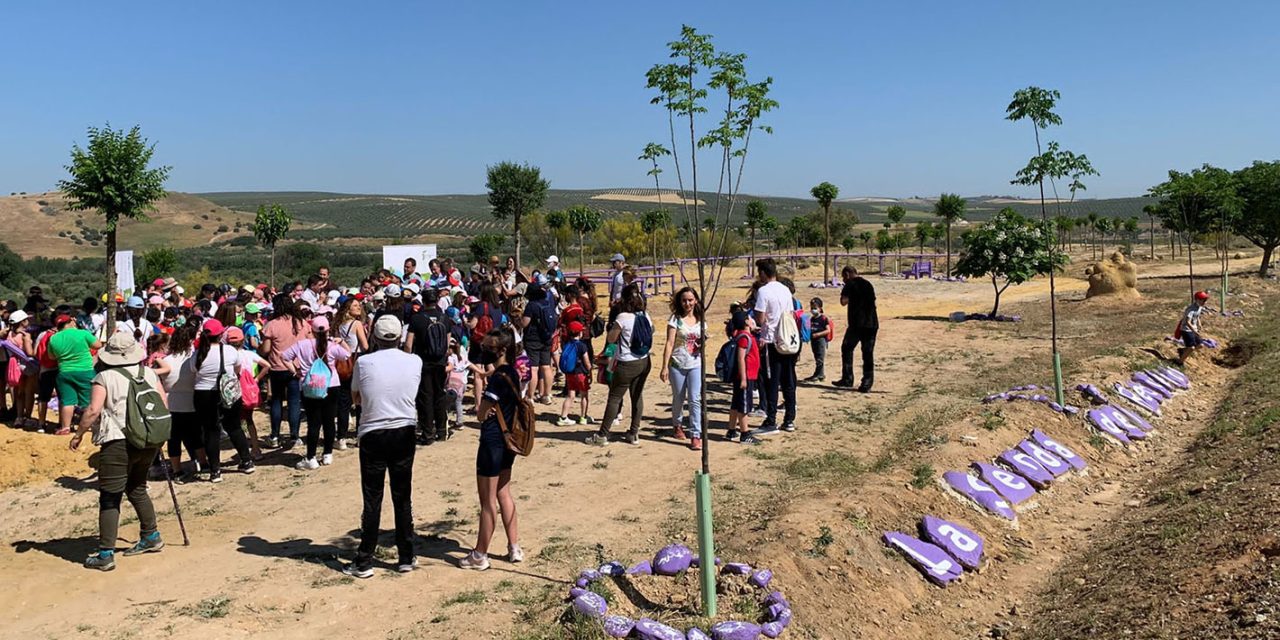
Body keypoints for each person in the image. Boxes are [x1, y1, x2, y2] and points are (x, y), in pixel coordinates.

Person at [69, 332, 168, 571]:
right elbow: (163, 404)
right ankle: (151, 536)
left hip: (117, 441)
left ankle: (105, 553)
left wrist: (79, 434)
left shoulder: (104, 377)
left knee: (110, 496)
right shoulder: (149, 373)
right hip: (147, 439)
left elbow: (93, 410)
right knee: (137, 487)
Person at [343, 315, 422, 578]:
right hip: (404, 429)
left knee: (372, 497)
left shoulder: (364, 362)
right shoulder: (414, 361)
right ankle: (406, 555)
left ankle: (365, 559)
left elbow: (356, 396)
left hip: (373, 431)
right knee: (402, 495)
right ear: (399, 337)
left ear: (374, 337)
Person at [460, 327, 523, 571]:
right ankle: (514, 546)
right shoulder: (512, 373)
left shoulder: (497, 377)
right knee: (504, 493)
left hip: (492, 443)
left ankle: (479, 554)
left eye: (489, 346)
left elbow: (480, 414)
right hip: (508, 443)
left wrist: (484, 409)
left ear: (502, 349)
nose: (484, 349)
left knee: (487, 502)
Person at [587, 284, 652, 446]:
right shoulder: (645, 315)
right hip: (644, 360)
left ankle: (602, 435)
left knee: (615, 398)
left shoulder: (623, 317)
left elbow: (611, 338)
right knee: (637, 396)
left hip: (626, 363)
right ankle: (634, 433)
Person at [191, 319, 254, 482]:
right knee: (234, 427)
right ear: (220, 334)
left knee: (211, 431)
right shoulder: (229, 351)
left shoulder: (198, 354)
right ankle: (246, 461)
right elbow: (238, 368)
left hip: (204, 394)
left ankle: (215, 470)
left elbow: (193, 370)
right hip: (228, 391)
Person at [284, 316, 352, 469]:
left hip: (309, 385)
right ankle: (327, 454)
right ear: (328, 330)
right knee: (329, 421)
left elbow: (285, 357)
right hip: (331, 384)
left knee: (313, 422)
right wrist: (341, 341)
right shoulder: (332, 346)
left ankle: (311, 457)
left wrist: (296, 372)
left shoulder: (302, 345)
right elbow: (347, 355)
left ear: (312, 330)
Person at [752, 258, 798, 433]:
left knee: (771, 381)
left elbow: (761, 318)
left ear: (763, 273)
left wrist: (756, 320)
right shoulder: (785, 289)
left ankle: (771, 420)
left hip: (772, 341)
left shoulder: (763, 291)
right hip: (787, 340)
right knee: (788, 380)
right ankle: (789, 419)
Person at [158, 324, 205, 482]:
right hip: (192, 401)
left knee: (174, 439)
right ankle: (203, 463)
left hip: (171, 403)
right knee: (196, 435)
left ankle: (177, 471)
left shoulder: (165, 361)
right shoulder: (194, 358)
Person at [659, 287, 704, 450]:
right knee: (678, 398)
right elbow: (669, 343)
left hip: (695, 365)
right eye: (684, 300)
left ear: (696, 300)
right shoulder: (675, 319)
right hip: (678, 364)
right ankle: (677, 424)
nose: (687, 303)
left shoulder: (701, 319)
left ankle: (696, 434)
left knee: (694, 399)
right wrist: (664, 366)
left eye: (690, 300)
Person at [405, 288, 450, 445]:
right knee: (439, 395)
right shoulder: (445, 318)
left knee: (425, 397)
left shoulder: (417, 319)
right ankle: (442, 431)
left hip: (422, 362)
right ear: (437, 301)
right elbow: (448, 343)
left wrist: (408, 359)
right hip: (440, 363)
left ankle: (427, 433)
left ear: (423, 301)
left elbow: (408, 344)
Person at [261, 296, 307, 449]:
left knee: (276, 401)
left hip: (277, 367)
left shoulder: (272, 325)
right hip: (296, 367)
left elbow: (266, 349)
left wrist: (258, 350)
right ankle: (294, 436)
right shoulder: (301, 322)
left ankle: (275, 435)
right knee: (294, 402)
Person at [48, 313, 103, 436]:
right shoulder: (82, 333)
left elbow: (51, 356)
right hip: (85, 371)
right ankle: (90, 426)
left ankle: (65, 427)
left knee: (67, 401)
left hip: (64, 372)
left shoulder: (53, 338)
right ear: (71, 321)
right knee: (88, 401)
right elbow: (98, 345)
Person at [225, 327, 268, 460]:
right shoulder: (248, 354)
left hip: (233, 391)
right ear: (243, 341)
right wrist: (257, 379)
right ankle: (256, 448)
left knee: (236, 423)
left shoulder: (227, 356)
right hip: (248, 391)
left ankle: (243, 450)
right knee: (249, 420)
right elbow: (267, 365)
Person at [834, 265, 878, 393]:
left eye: (843, 277)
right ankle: (867, 382)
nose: (843, 279)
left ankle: (847, 379)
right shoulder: (868, 284)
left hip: (857, 325)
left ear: (847, 274)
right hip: (871, 324)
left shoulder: (850, 284)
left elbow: (843, 302)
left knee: (847, 348)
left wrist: (845, 292)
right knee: (868, 353)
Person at [334, 298, 369, 449]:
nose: (359, 307)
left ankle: (341, 437)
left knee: (344, 401)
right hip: (356, 359)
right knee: (360, 399)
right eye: (355, 305)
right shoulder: (356, 324)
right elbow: (365, 346)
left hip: (343, 362)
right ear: (348, 309)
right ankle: (360, 435)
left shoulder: (338, 325)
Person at [727, 311, 762, 445]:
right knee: (744, 405)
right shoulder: (744, 337)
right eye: (750, 318)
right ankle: (745, 433)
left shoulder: (746, 336)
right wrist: (743, 378)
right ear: (746, 322)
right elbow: (741, 358)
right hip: (745, 377)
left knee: (736, 404)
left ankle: (731, 430)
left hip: (746, 376)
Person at [519, 283, 557, 405]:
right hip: (547, 338)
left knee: (534, 368)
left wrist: (518, 320)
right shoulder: (548, 303)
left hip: (533, 340)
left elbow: (525, 323)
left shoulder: (531, 305)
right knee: (546, 366)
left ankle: (530, 396)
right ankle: (547, 394)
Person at [556, 321, 592, 426]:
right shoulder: (582, 346)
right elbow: (587, 362)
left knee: (570, 395)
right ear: (580, 333)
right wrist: (590, 371)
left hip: (570, 373)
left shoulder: (567, 344)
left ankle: (563, 417)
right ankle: (583, 417)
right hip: (581, 374)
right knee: (584, 395)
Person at [1177, 291, 1211, 365]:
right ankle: (1179, 362)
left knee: (1200, 345)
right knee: (1191, 347)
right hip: (1186, 330)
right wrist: (1194, 331)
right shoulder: (1191, 309)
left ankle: (1183, 351)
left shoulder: (1199, 307)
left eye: (1205, 300)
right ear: (1197, 300)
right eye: (1203, 300)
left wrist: (1199, 324)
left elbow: (1197, 316)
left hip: (1194, 329)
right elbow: (1187, 322)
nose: (1204, 302)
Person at [805, 297, 834, 382]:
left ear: (820, 308)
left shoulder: (823, 319)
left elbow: (828, 330)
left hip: (821, 341)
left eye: (815, 308)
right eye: (811, 308)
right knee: (816, 357)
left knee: (820, 358)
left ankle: (819, 375)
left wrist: (818, 334)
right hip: (814, 341)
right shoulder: (812, 319)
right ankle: (819, 374)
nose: (813, 310)